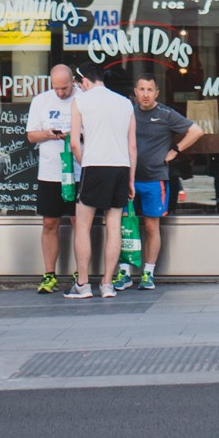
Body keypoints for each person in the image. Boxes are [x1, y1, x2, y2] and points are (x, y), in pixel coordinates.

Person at [66, 64, 135, 300]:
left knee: (83, 225)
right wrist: (131, 180)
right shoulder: (125, 103)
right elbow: (132, 147)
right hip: (121, 167)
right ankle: (108, 283)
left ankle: (83, 284)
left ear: (84, 81)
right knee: (113, 225)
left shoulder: (81, 102)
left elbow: (74, 142)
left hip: (94, 166)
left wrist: (84, 162)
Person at [128, 71, 201, 291]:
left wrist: (175, 150)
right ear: (135, 92)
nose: (146, 94)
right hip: (128, 179)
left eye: (150, 90)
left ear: (157, 93)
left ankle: (148, 273)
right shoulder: (128, 114)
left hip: (154, 179)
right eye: (142, 89)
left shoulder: (165, 114)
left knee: (152, 227)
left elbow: (196, 131)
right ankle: (123, 272)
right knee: (125, 227)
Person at [25, 65, 81, 294]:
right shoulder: (41, 101)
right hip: (50, 172)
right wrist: (49, 134)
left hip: (78, 170)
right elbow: (31, 135)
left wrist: (75, 134)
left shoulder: (84, 98)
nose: (60, 93)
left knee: (80, 223)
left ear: (73, 82)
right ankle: (49, 274)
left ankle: (81, 272)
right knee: (50, 223)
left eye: (65, 88)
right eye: (56, 88)